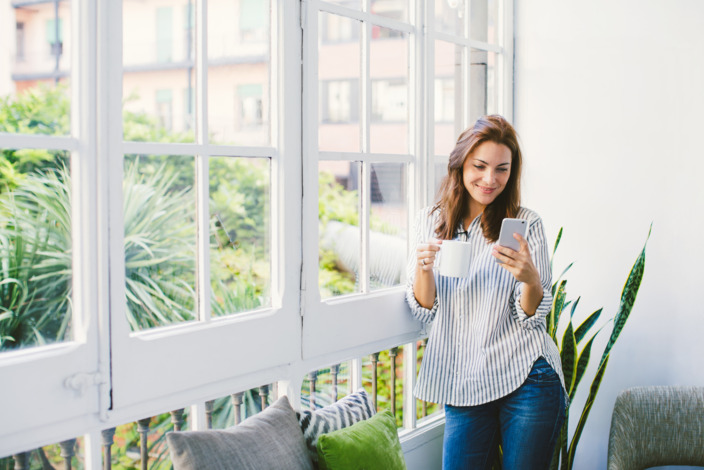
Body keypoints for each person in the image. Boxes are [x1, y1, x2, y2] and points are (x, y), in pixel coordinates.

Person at [406, 115, 566, 469]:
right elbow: (423, 309)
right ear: (460, 163)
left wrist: (530, 279)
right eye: (479, 166)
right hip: (465, 381)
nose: (490, 179)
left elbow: (530, 319)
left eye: (502, 169)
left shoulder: (525, 224)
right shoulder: (429, 221)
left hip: (527, 377)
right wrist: (423, 268)